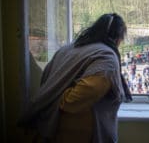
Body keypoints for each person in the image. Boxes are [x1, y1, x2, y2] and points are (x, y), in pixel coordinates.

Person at [19, 13, 132, 143]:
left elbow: (47, 79)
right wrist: (59, 98)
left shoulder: (67, 49)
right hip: (78, 132)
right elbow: (75, 98)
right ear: (118, 38)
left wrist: (53, 96)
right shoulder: (107, 58)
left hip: (50, 125)